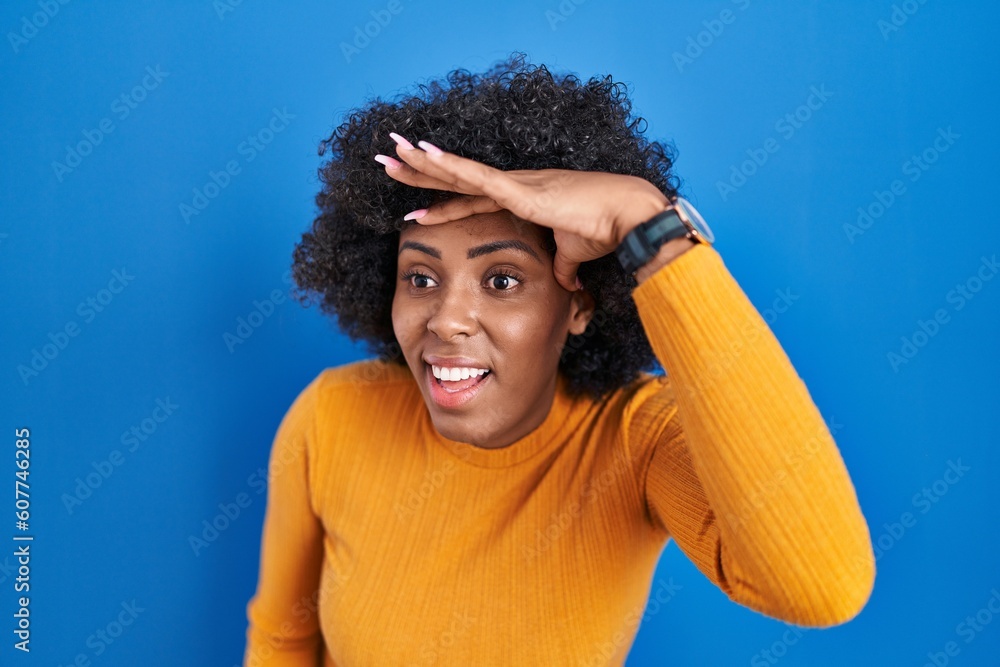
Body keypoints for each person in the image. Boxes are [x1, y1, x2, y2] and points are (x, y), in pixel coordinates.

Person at [242, 52, 876, 666]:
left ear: (580, 305)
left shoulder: (634, 441)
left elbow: (820, 585)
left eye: (502, 280)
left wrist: (643, 221)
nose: (446, 320)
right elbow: (282, 641)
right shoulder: (334, 416)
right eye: (421, 278)